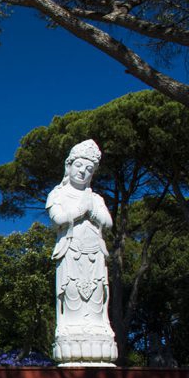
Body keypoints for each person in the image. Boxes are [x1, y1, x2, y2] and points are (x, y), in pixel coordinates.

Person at [47, 139, 118, 362]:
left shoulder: (96, 198)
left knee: (97, 295)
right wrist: (80, 211)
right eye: (79, 166)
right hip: (71, 251)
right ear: (69, 166)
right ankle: (70, 335)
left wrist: (92, 210)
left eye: (89, 169)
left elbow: (107, 222)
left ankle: (97, 333)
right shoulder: (58, 194)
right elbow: (57, 219)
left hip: (94, 253)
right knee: (72, 294)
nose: (83, 172)